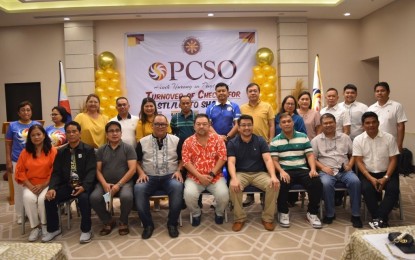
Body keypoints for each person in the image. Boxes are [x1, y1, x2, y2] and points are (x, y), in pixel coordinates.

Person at [42, 121, 97, 244]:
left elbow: (91, 171)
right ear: (65, 134)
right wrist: (52, 188)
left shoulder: (88, 150)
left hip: (84, 185)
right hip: (68, 185)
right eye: (68, 132)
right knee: (49, 198)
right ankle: (53, 229)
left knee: (83, 199)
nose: (71, 134)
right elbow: (56, 172)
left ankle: (86, 230)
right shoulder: (61, 152)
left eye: (74, 131)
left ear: (79, 133)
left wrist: (84, 187)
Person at [134, 114, 184, 239]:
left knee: (178, 187)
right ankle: (148, 225)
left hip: (170, 176)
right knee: (138, 189)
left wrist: (178, 170)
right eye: (157, 124)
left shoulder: (176, 140)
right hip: (149, 177)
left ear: (167, 126)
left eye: (163, 124)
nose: (160, 127)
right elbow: (136, 161)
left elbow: (183, 159)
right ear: (152, 126)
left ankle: (172, 223)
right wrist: (141, 173)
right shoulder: (142, 142)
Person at [270, 113, 323, 229]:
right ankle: (283, 212)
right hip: (285, 170)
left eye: (289, 121)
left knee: (316, 182)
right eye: (283, 122)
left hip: (302, 169)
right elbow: (274, 160)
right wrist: (281, 171)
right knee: (281, 184)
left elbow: (310, 155)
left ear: (293, 122)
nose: (287, 124)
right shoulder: (275, 141)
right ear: (280, 125)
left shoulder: (303, 136)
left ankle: (312, 213)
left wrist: (313, 169)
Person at [227, 114, 280, 232]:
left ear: (252, 126)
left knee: (274, 184)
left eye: (249, 125)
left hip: (259, 173)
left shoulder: (260, 140)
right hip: (241, 173)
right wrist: (234, 178)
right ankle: (239, 218)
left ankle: (267, 218)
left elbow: (267, 159)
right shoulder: (232, 143)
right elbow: (231, 162)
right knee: (233, 186)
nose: (246, 128)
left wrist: (273, 176)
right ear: (239, 127)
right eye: (243, 125)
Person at [311, 113, 362, 228]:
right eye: (325, 123)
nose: (328, 125)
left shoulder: (345, 137)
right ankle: (330, 214)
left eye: (331, 122)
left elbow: (354, 154)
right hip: (326, 171)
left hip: (344, 170)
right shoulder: (316, 140)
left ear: (335, 123)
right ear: (322, 125)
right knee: (325, 184)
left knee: (355, 182)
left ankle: (356, 215)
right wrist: (323, 167)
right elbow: (312, 159)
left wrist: (350, 165)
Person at [353, 111, 400, 229]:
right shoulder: (358, 140)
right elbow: (358, 161)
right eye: (367, 123)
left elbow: (393, 159)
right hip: (367, 173)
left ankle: (378, 218)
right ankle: (381, 219)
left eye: (374, 122)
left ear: (378, 123)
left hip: (387, 172)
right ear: (363, 125)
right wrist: (370, 178)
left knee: (393, 190)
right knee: (366, 189)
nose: (371, 125)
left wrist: (386, 177)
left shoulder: (389, 138)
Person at [90, 121, 137, 236]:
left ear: (121, 133)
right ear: (106, 134)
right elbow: (97, 170)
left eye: (117, 131)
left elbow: (132, 170)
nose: (114, 133)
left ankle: (123, 221)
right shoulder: (101, 150)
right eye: (111, 131)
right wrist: (105, 184)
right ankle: (108, 220)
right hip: (105, 183)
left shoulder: (128, 148)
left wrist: (119, 185)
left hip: (124, 183)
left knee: (127, 197)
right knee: (94, 198)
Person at [182, 114, 229, 226]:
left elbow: (223, 158)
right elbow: (186, 162)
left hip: (215, 177)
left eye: (204, 124)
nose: (201, 126)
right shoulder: (188, 142)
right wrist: (199, 176)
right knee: (188, 195)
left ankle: (219, 212)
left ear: (209, 125)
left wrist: (212, 174)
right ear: (194, 126)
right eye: (198, 124)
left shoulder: (218, 139)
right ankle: (196, 213)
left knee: (224, 195)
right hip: (194, 177)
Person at [14, 125, 57, 241]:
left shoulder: (52, 151)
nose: (36, 137)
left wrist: (43, 185)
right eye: (33, 135)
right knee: (28, 198)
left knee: (43, 199)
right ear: (30, 138)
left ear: (44, 135)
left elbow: (55, 172)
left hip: (47, 184)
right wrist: (30, 186)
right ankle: (35, 227)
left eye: (38, 134)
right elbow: (20, 171)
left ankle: (44, 225)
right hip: (31, 184)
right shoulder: (25, 152)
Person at [5, 101, 41, 224]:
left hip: (34, 161)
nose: (26, 112)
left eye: (28, 110)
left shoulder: (36, 124)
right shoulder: (12, 126)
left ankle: (34, 212)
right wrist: (8, 161)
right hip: (17, 161)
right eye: (23, 110)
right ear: (18, 113)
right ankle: (21, 214)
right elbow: (8, 144)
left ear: (31, 112)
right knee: (19, 188)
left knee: (33, 187)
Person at [240, 83, 275, 207]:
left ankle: (264, 198)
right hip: (246, 143)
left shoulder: (267, 106)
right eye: (250, 91)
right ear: (247, 93)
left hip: (263, 143)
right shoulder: (242, 108)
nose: (253, 93)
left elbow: (272, 125)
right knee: (249, 168)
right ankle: (249, 197)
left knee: (263, 170)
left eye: (255, 91)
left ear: (259, 92)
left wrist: (270, 141)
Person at [368, 82, 407, 152]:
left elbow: (400, 126)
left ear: (388, 92)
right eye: (377, 91)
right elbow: (367, 126)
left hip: (391, 144)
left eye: (382, 91)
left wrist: (399, 144)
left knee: (392, 162)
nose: (379, 93)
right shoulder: (371, 108)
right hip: (374, 144)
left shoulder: (397, 106)